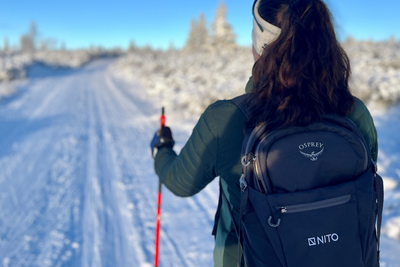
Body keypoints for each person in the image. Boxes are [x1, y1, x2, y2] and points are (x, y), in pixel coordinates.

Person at [150, 0, 378, 266]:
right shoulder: (355, 112)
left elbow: (181, 182)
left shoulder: (226, 118)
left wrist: (161, 150)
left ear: (259, 45)